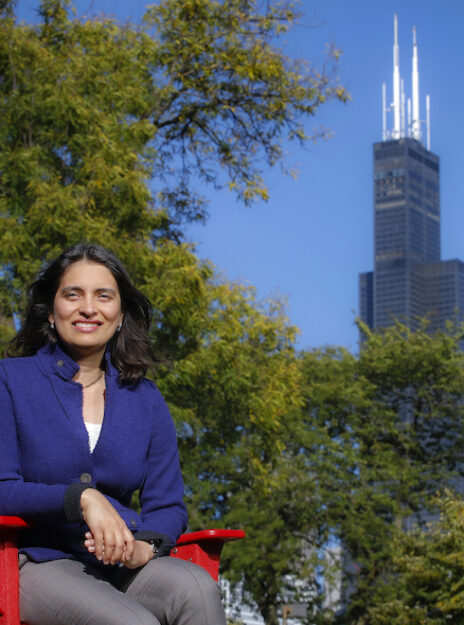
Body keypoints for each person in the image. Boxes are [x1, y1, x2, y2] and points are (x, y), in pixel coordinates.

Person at [0, 243, 226, 625]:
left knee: (197, 588)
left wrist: (145, 548)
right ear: (52, 312)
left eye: (103, 296)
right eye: (73, 294)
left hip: (122, 563)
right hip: (36, 560)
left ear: (119, 316)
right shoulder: (11, 380)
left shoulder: (146, 399)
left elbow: (167, 505)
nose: (88, 308)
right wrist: (82, 498)